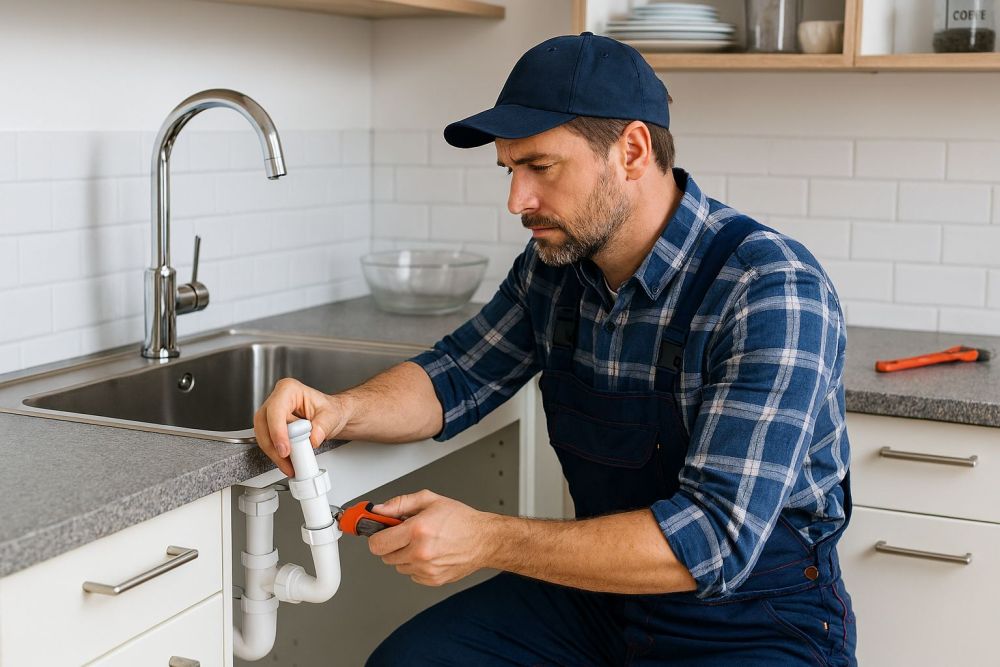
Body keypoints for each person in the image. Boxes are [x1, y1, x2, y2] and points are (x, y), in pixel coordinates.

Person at [254, 32, 857, 666]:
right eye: (510, 171)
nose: (518, 201)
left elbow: (714, 539)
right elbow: (457, 375)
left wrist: (487, 539)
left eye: (539, 167)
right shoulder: (556, 267)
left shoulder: (770, 290)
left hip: (755, 622)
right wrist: (340, 410)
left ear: (631, 150)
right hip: (601, 601)